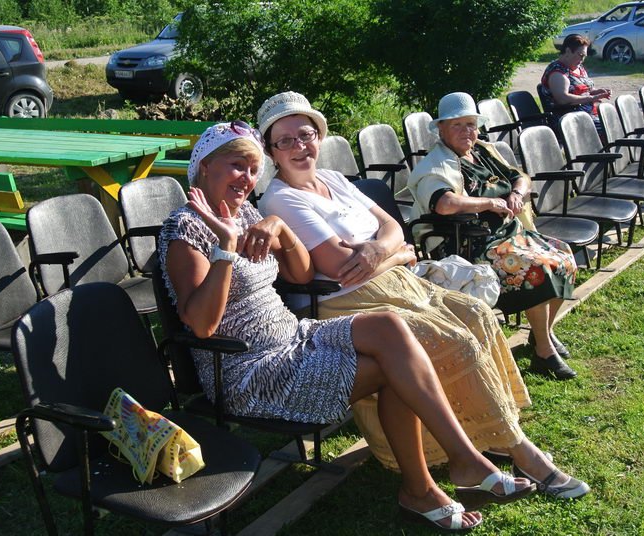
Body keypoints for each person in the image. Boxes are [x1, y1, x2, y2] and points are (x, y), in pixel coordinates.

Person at [158, 121, 545, 532]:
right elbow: (201, 325)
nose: (247, 178)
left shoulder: (247, 212)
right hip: (250, 370)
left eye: (253, 170)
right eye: (237, 166)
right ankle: (425, 488)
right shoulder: (186, 227)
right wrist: (225, 249)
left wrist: (279, 228)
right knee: (398, 370)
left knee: (392, 329)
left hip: (292, 337)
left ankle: (460, 462)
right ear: (204, 167)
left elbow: (302, 276)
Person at [256, 91, 589, 499]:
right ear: (271, 151)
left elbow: (390, 224)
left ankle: (489, 434)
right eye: (284, 140)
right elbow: (340, 268)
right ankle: (520, 452)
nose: (298, 147)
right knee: (454, 339)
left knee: (477, 315)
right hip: (348, 301)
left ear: (319, 137)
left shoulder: (333, 179)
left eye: (305, 135)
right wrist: (398, 254)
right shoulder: (281, 198)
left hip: (397, 280)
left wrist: (384, 249)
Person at [407, 92, 580, 381]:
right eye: (458, 125)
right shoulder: (435, 166)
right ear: (441, 128)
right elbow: (444, 203)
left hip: (509, 234)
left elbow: (522, 176)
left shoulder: (483, 152)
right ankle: (544, 352)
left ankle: (542, 335)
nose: (467, 132)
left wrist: (516, 193)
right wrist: (488, 203)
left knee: (563, 256)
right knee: (535, 267)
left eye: (471, 125)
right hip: (470, 242)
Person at [540, 34, 612, 136]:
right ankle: (604, 151)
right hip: (568, 120)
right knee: (611, 128)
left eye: (584, 56)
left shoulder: (578, 67)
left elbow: (583, 91)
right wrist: (591, 98)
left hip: (587, 115)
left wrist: (597, 92)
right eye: (580, 55)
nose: (582, 59)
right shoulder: (557, 73)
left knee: (617, 121)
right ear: (568, 51)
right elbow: (562, 98)